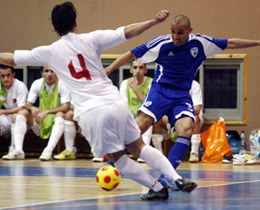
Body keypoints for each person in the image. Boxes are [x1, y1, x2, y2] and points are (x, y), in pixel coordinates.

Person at [0, 2, 197, 201]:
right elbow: (128, 32)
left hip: (91, 111)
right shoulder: (91, 38)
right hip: (115, 102)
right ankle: (175, 177)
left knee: (117, 157)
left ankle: (156, 187)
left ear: (54, 27)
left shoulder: (49, 51)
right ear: (75, 22)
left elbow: (11, 59)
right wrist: (154, 21)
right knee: (138, 147)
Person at [105, 14, 260, 189]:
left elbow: (230, 43)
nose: (176, 36)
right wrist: (110, 68)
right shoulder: (161, 44)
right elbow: (132, 53)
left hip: (181, 95)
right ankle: (111, 164)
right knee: (139, 126)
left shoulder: (201, 44)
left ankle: (166, 178)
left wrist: (257, 42)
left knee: (187, 127)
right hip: (160, 91)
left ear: (189, 31)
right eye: (173, 32)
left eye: (180, 32)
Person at [3, 67, 70, 160]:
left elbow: (66, 106)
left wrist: (47, 112)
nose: (49, 74)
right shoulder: (37, 83)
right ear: (42, 73)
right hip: (40, 120)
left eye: (52, 71)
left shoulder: (62, 84)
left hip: (55, 121)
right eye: (46, 71)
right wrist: (33, 108)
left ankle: (48, 151)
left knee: (60, 115)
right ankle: (18, 150)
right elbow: (27, 104)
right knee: (21, 113)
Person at [120, 61, 164, 162]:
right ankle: (108, 154)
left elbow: (148, 104)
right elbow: (123, 105)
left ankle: (142, 153)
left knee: (147, 120)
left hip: (146, 114)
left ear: (145, 70)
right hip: (130, 116)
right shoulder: (125, 83)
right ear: (131, 70)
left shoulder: (152, 83)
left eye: (141, 68)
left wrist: (136, 89)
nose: (138, 71)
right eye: (135, 68)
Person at [0, 64, 28, 158]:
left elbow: (22, 108)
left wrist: (3, 112)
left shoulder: (20, 86)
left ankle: (14, 149)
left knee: (16, 117)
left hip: (23, 119)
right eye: (2, 76)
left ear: (13, 75)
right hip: (6, 117)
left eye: (8, 75)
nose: (5, 79)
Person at [189, 80, 203, 163]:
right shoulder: (171, 83)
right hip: (174, 117)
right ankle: (159, 152)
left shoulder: (194, 85)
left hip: (190, 116)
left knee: (195, 117)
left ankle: (194, 153)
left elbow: (197, 109)